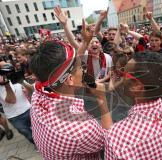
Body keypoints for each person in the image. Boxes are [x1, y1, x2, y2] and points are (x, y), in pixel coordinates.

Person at [29, 20, 112, 159]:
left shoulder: (38, 91)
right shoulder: (81, 129)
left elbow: (67, 67)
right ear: (70, 79)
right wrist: (102, 100)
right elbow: (109, 139)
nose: (84, 69)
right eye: (81, 67)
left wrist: (85, 42)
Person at [0, 62, 33, 144]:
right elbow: (12, 100)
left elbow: (31, 89)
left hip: (28, 109)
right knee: (28, 134)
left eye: (8, 65)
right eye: (4, 67)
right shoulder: (1, 85)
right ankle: (37, 144)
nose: (7, 68)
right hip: (15, 117)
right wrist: (6, 84)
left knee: (39, 130)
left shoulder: (16, 77)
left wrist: (22, 82)